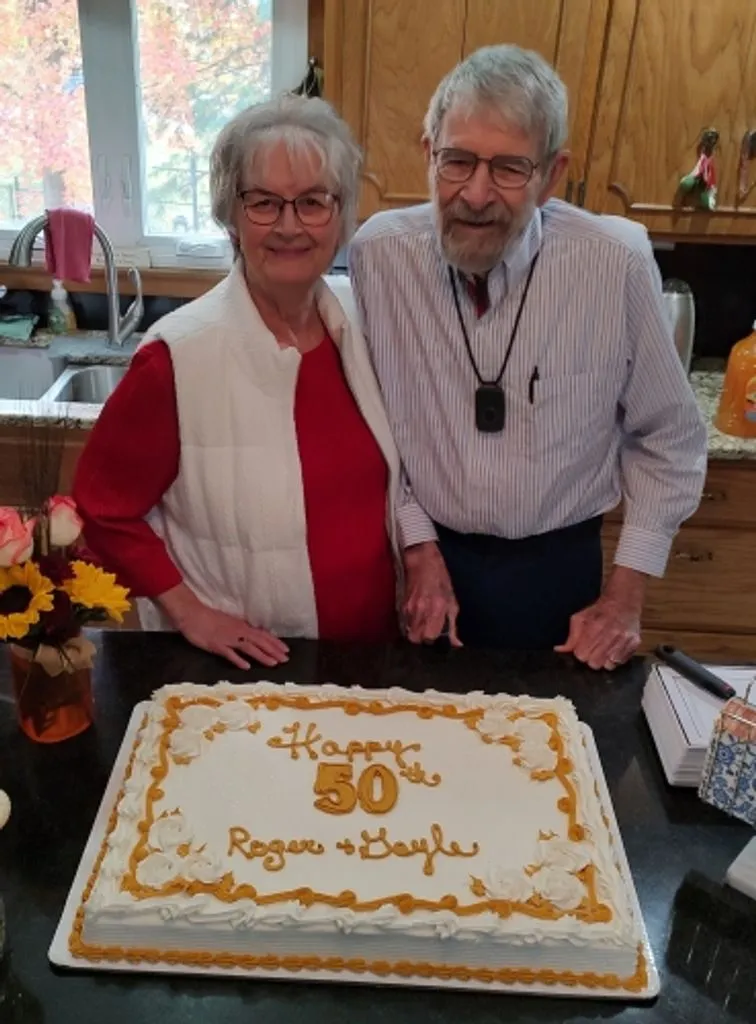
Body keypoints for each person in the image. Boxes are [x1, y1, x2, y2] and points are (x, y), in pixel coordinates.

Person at [348, 45, 707, 671]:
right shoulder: (378, 256)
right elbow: (374, 427)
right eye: (457, 160)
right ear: (428, 152)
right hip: (424, 564)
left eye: (510, 168)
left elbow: (669, 439)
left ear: (553, 174)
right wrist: (416, 544)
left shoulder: (615, 262)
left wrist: (625, 595)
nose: (476, 194)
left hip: (559, 572)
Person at [74, 95, 402, 669]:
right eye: (264, 203)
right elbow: (102, 510)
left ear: (342, 214)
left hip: (374, 652)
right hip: (248, 670)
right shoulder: (178, 357)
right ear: (231, 213)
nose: (289, 226)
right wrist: (189, 613)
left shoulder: (364, 327)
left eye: (313, 202)